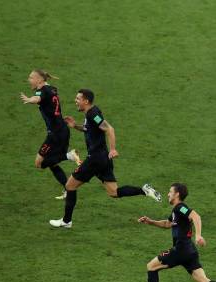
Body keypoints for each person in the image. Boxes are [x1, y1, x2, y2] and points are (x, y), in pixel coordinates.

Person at [49, 89, 161, 228]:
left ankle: (66, 221)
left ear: (86, 101)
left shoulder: (93, 114)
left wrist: (113, 149)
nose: (75, 101)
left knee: (70, 186)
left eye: (78, 98)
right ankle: (144, 190)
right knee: (113, 192)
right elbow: (89, 128)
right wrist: (75, 126)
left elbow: (109, 129)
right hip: (103, 159)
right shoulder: (91, 113)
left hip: (95, 159)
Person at [20, 69, 81, 199]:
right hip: (62, 131)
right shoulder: (52, 88)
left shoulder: (42, 90)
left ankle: (69, 156)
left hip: (55, 134)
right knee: (52, 163)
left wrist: (30, 99)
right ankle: (67, 189)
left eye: (31, 77)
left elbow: (38, 98)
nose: (29, 80)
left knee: (39, 163)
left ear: (40, 80)